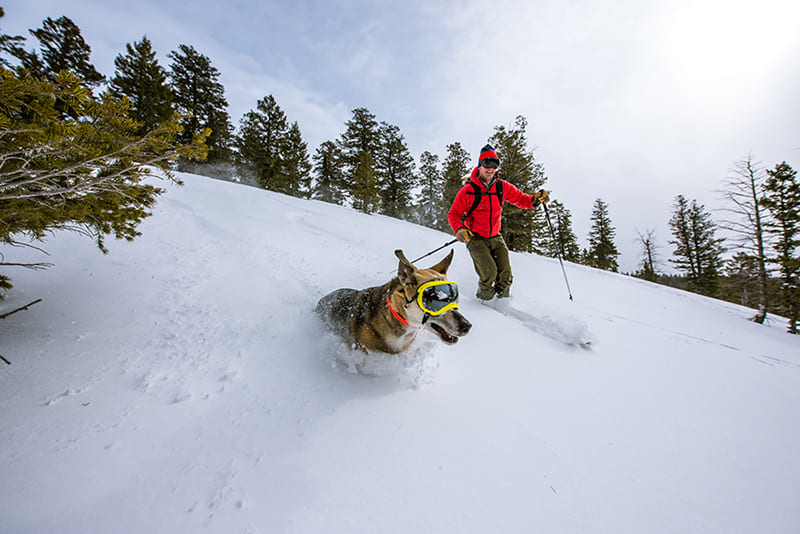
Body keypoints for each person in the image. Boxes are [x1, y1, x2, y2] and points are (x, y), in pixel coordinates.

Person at [448, 144, 549, 300]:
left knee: (505, 275)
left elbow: (522, 199)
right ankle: (485, 304)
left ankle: (503, 303)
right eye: (487, 164)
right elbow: (454, 214)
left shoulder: (501, 187)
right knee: (489, 273)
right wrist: (460, 229)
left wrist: (535, 200)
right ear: (479, 166)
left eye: (495, 164)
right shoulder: (468, 191)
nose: (490, 169)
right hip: (475, 237)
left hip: (495, 236)